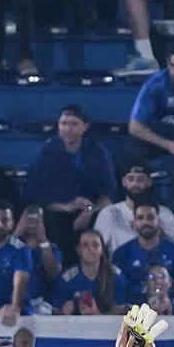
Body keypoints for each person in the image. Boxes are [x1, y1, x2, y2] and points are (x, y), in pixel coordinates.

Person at [28, 105, 116, 256]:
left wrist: (89, 210)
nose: (68, 129)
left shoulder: (98, 152)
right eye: (63, 124)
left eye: (74, 124)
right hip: (56, 213)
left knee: (104, 217)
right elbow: (36, 195)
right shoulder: (46, 152)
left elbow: (109, 195)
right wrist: (67, 207)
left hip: (90, 211)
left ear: (85, 127)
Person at [111, 200, 174, 306]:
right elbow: (118, 295)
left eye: (150, 217)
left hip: (169, 309)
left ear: (159, 221)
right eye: (140, 218)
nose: (145, 222)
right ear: (133, 223)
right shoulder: (121, 254)